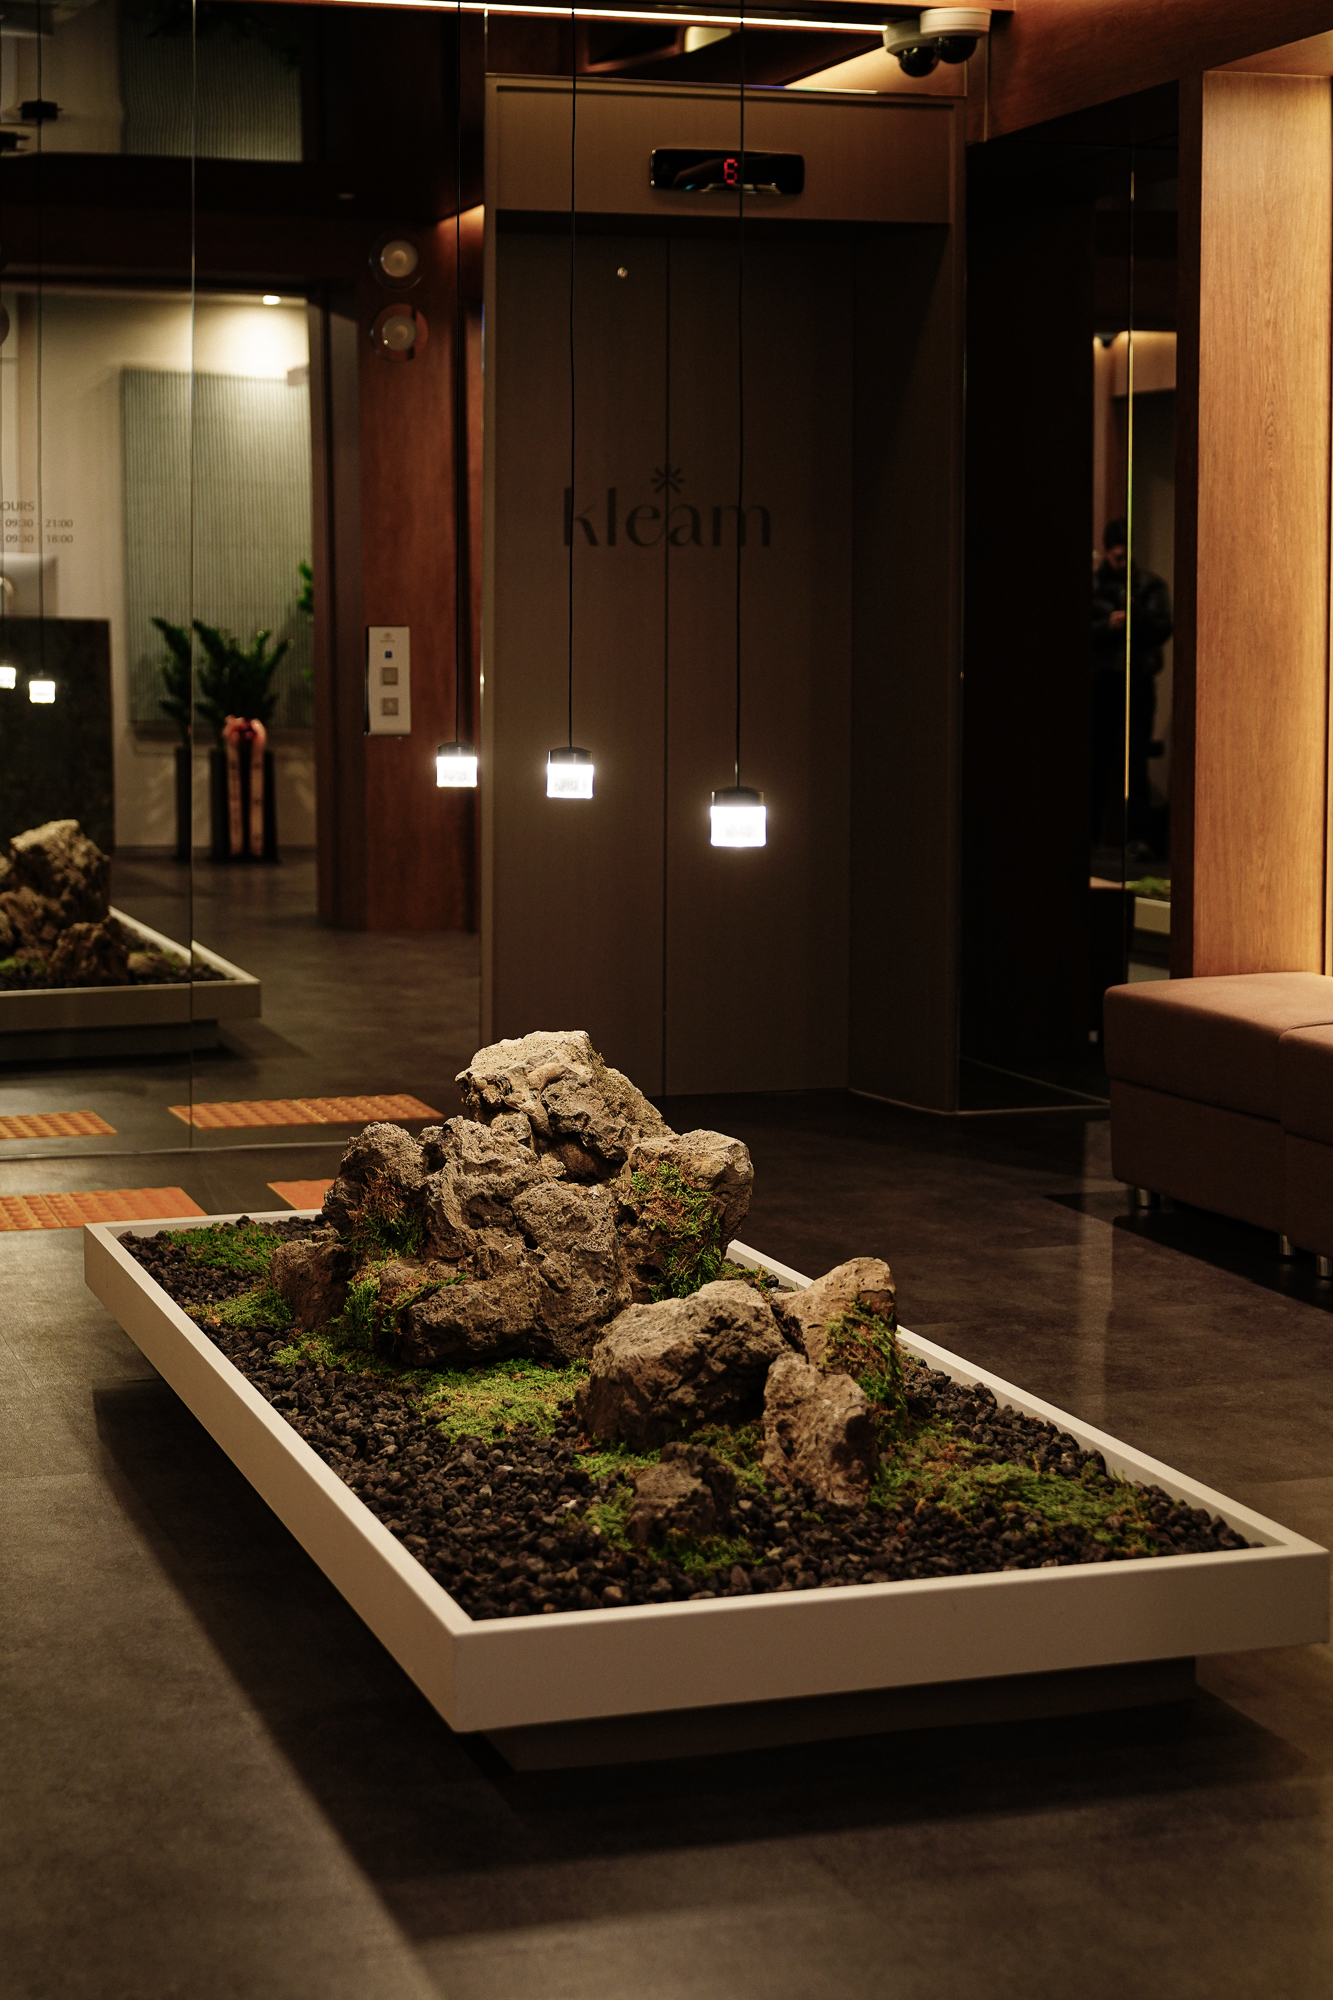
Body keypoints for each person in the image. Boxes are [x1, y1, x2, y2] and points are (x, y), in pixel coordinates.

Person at [1090, 517, 1172, 857]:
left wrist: (1134, 617)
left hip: (1136, 683)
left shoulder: (1149, 586)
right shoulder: (1095, 587)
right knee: (1096, 761)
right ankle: (1091, 839)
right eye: (1115, 554)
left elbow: (1163, 627)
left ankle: (1138, 840)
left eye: (1124, 554)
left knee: (1135, 761)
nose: (1120, 561)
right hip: (1101, 683)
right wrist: (1107, 625)